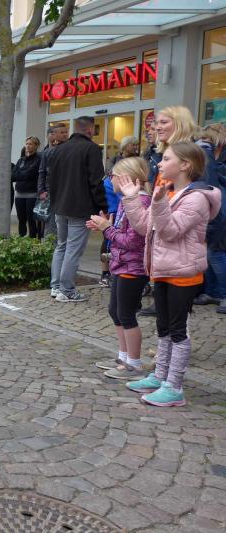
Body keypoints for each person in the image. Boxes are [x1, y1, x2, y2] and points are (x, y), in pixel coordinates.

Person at [117, 142, 221, 407]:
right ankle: (160, 376)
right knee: (163, 328)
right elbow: (145, 227)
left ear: (185, 164)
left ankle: (174, 387)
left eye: (166, 159)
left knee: (177, 330)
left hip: (182, 273)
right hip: (162, 270)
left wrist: (160, 202)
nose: (160, 164)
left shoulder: (196, 198)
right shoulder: (171, 192)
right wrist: (132, 198)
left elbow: (171, 231)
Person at [87, 157, 151, 380]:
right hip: (121, 263)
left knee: (126, 314)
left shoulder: (140, 202)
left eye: (112, 175)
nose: (109, 179)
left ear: (126, 178)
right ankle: (123, 358)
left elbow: (133, 242)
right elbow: (121, 233)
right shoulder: (125, 201)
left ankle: (134, 363)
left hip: (133, 267)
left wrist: (107, 229)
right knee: (115, 311)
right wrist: (104, 226)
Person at [140, 106, 207, 317]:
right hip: (164, 244)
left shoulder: (195, 153)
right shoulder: (161, 155)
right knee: (165, 320)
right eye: (156, 123)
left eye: (163, 122)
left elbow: (207, 195)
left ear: (179, 123)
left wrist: (198, 242)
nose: (157, 127)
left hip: (182, 248)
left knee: (176, 322)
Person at [48, 116, 107, 302]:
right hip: (80, 208)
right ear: (90, 129)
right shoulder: (91, 149)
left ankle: (56, 286)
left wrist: (55, 203)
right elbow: (96, 181)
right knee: (73, 249)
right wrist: (102, 207)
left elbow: (52, 180)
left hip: (60, 206)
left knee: (62, 246)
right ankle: (66, 289)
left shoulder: (59, 149)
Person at [192, 124, 226, 313]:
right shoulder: (210, 154)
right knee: (209, 251)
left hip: (221, 207)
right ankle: (213, 292)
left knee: (216, 252)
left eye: (206, 140)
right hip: (215, 204)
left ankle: (224, 294)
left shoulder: (215, 157)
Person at [38, 123, 69, 237]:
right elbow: (42, 172)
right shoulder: (47, 152)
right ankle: (50, 245)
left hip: (67, 192)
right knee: (51, 223)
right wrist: (41, 191)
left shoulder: (71, 150)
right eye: (62, 132)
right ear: (54, 134)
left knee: (66, 223)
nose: (65, 134)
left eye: (66, 132)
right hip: (50, 192)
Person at [11, 136, 41, 238]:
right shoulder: (21, 160)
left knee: (31, 218)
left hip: (32, 194)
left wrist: (22, 174)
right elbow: (13, 176)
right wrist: (24, 175)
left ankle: (33, 238)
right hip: (19, 194)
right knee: (21, 218)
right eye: (27, 143)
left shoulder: (38, 159)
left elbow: (31, 174)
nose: (28, 146)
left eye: (30, 144)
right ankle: (21, 237)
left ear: (36, 146)